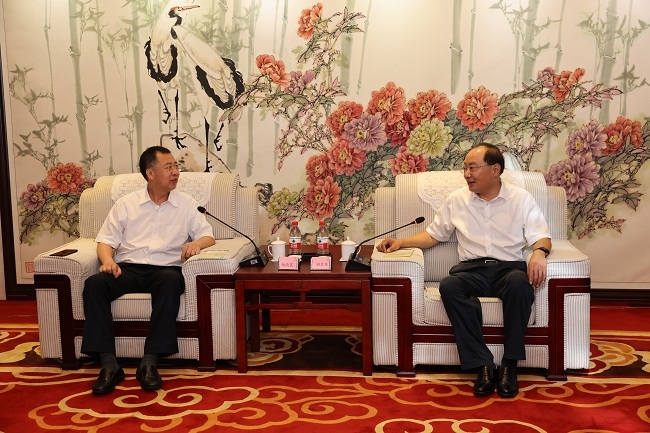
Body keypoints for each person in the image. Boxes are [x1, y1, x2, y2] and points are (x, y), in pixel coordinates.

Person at [376, 143, 551, 398]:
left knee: (520, 284)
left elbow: (542, 236)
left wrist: (539, 253)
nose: (467, 174)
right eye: (465, 168)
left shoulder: (521, 198)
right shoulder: (457, 199)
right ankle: (483, 364)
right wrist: (401, 242)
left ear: (495, 169)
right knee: (449, 285)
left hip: (508, 269)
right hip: (472, 270)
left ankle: (510, 365)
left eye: (473, 168)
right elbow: (434, 235)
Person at [81, 146, 215, 395]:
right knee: (95, 284)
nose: (175, 172)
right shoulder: (126, 204)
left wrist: (197, 243)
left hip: (166, 269)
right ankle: (109, 364)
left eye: (176, 167)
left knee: (170, 282)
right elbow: (105, 241)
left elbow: (208, 236)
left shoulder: (186, 204)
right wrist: (108, 261)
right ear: (150, 173)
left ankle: (150, 362)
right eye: (168, 167)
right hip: (128, 269)